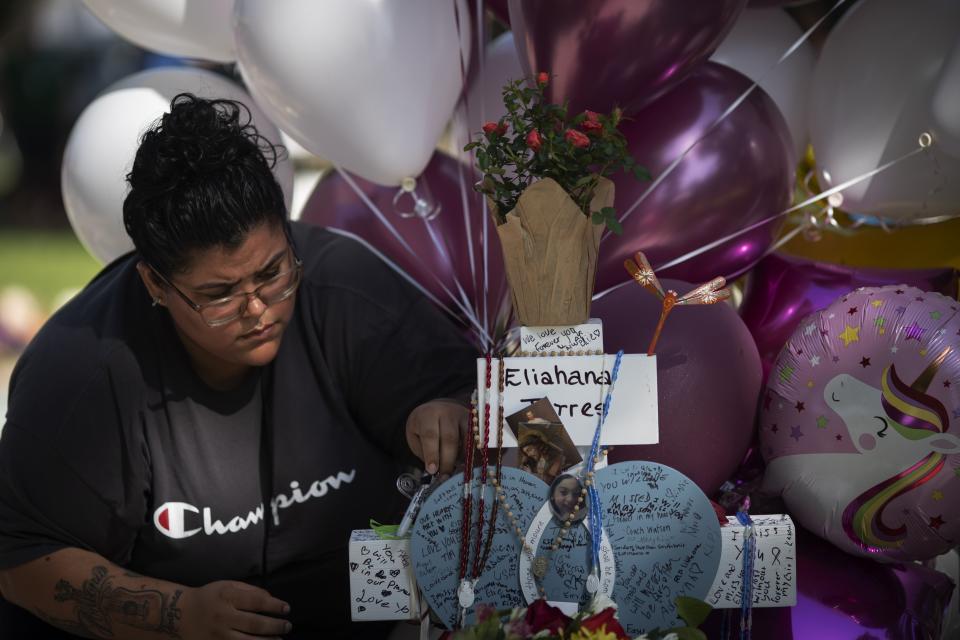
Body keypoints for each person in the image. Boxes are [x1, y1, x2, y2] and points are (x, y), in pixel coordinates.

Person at [0, 95, 475, 639]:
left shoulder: (345, 287)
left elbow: (491, 408)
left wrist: (452, 409)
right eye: (219, 294)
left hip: (359, 603)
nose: (257, 309)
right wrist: (179, 616)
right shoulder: (82, 372)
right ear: (155, 283)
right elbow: (21, 562)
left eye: (272, 272)